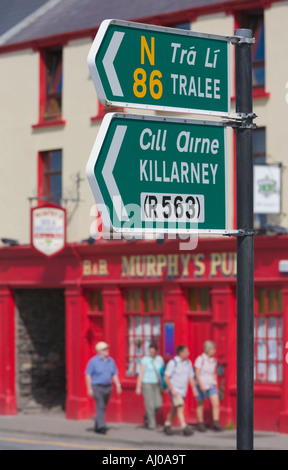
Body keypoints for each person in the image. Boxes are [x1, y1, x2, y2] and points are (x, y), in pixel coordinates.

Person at [85, 341, 122, 434]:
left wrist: (118, 385)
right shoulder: (93, 361)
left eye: (107, 349)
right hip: (97, 386)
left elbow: (114, 374)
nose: (107, 350)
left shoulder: (111, 361)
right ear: (99, 351)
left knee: (103, 406)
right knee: (100, 406)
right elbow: (88, 375)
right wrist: (89, 388)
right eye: (104, 349)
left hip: (108, 387)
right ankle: (102, 427)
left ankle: (97, 426)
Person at [163, 345, 197, 436]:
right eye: (186, 351)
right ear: (181, 353)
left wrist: (194, 388)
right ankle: (184, 427)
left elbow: (191, 377)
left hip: (183, 390)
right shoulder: (173, 362)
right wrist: (172, 390)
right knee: (180, 406)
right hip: (175, 389)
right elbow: (166, 377)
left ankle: (167, 424)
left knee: (175, 408)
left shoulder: (188, 363)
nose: (188, 353)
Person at [135, 342, 164, 430]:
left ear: (156, 351)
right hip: (147, 383)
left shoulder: (160, 359)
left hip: (156, 384)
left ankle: (148, 415)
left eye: (153, 351)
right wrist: (138, 386)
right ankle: (152, 424)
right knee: (150, 404)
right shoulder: (145, 360)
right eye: (150, 351)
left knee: (158, 404)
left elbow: (162, 373)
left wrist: (163, 384)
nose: (151, 353)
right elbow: (141, 373)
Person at [194, 340, 221, 432]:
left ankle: (216, 423)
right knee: (200, 404)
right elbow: (197, 373)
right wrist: (200, 385)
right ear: (208, 349)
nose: (215, 351)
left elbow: (214, 373)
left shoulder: (214, 360)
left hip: (211, 384)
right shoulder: (200, 359)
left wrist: (216, 383)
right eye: (213, 349)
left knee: (216, 403)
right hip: (202, 384)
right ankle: (201, 424)